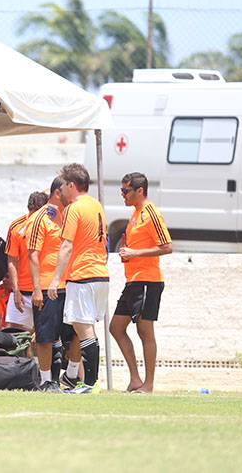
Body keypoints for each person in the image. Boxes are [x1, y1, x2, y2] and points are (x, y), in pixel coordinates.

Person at [48, 163, 109, 394]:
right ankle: (85, 381)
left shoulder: (75, 208)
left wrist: (56, 279)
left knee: (83, 329)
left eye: (63, 184)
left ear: (71, 185)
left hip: (82, 275)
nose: (61, 189)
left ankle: (89, 384)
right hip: (99, 274)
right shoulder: (96, 205)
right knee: (84, 327)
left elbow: (66, 245)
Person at [110, 172, 173, 393]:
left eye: (125, 191)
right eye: (121, 190)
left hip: (148, 281)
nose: (122, 195)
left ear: (140, 191)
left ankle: (149, 384)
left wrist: (136, 253)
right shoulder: (135, 214)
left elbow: (167, 247)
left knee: (145, 331)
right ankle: (135, 379)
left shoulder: (151, 213)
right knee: (116, 327)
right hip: (133, 281)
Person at [25, 182, 66, 392]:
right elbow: (32, 255)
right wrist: (37, 288)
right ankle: (45, 380)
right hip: (47, 285)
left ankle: (63, 379)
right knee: (45, 336)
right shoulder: (39, 218)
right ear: (58, 192)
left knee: (64, 334)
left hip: (67, 284)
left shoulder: (67, 215)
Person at [6, 191, 49, 333]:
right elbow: (12, 260)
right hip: (23, 292)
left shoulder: (53, 225)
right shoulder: (16, 226)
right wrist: (16, 290)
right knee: (14, 336)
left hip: (46, 291)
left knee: (48, 337)